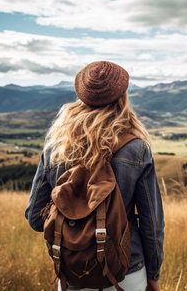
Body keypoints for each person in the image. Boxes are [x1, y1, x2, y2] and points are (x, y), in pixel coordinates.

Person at [25, 61, 164, 291]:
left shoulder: (56, 148)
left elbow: (35, 219)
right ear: (122, 98)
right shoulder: (137, 149)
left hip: (72, 272)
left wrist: (74, 225)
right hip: (126, 273)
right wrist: (153, 275)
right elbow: (152, 225)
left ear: (81, 97)